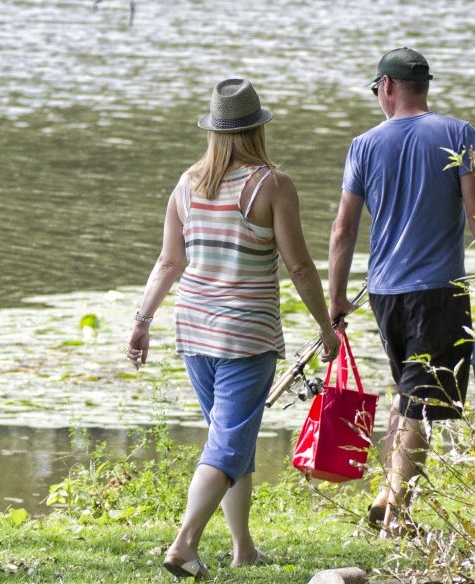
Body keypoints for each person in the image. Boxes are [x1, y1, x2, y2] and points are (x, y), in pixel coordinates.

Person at [127, 78, 340, 580]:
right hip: (246, 335)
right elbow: (301, 267)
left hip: (195, 330)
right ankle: (183, 544)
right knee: (227, 443)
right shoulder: (272, 184)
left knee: (231, 439)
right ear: (257, 128)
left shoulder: (187, 183)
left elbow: (167, 261)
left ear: (215, 131)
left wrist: (142, 322)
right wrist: (325, 328)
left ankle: (243, 548)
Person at [325, 48, 475, 537]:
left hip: (385, 293)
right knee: (420, 400)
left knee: (407, 393)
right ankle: (395, 503)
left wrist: (335, 299)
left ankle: (392, 502)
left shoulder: (363, 146)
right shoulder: (456, 134)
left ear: (388, 85)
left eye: (375, 90)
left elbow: (342, 231)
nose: (377, 97)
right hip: (438, 291)